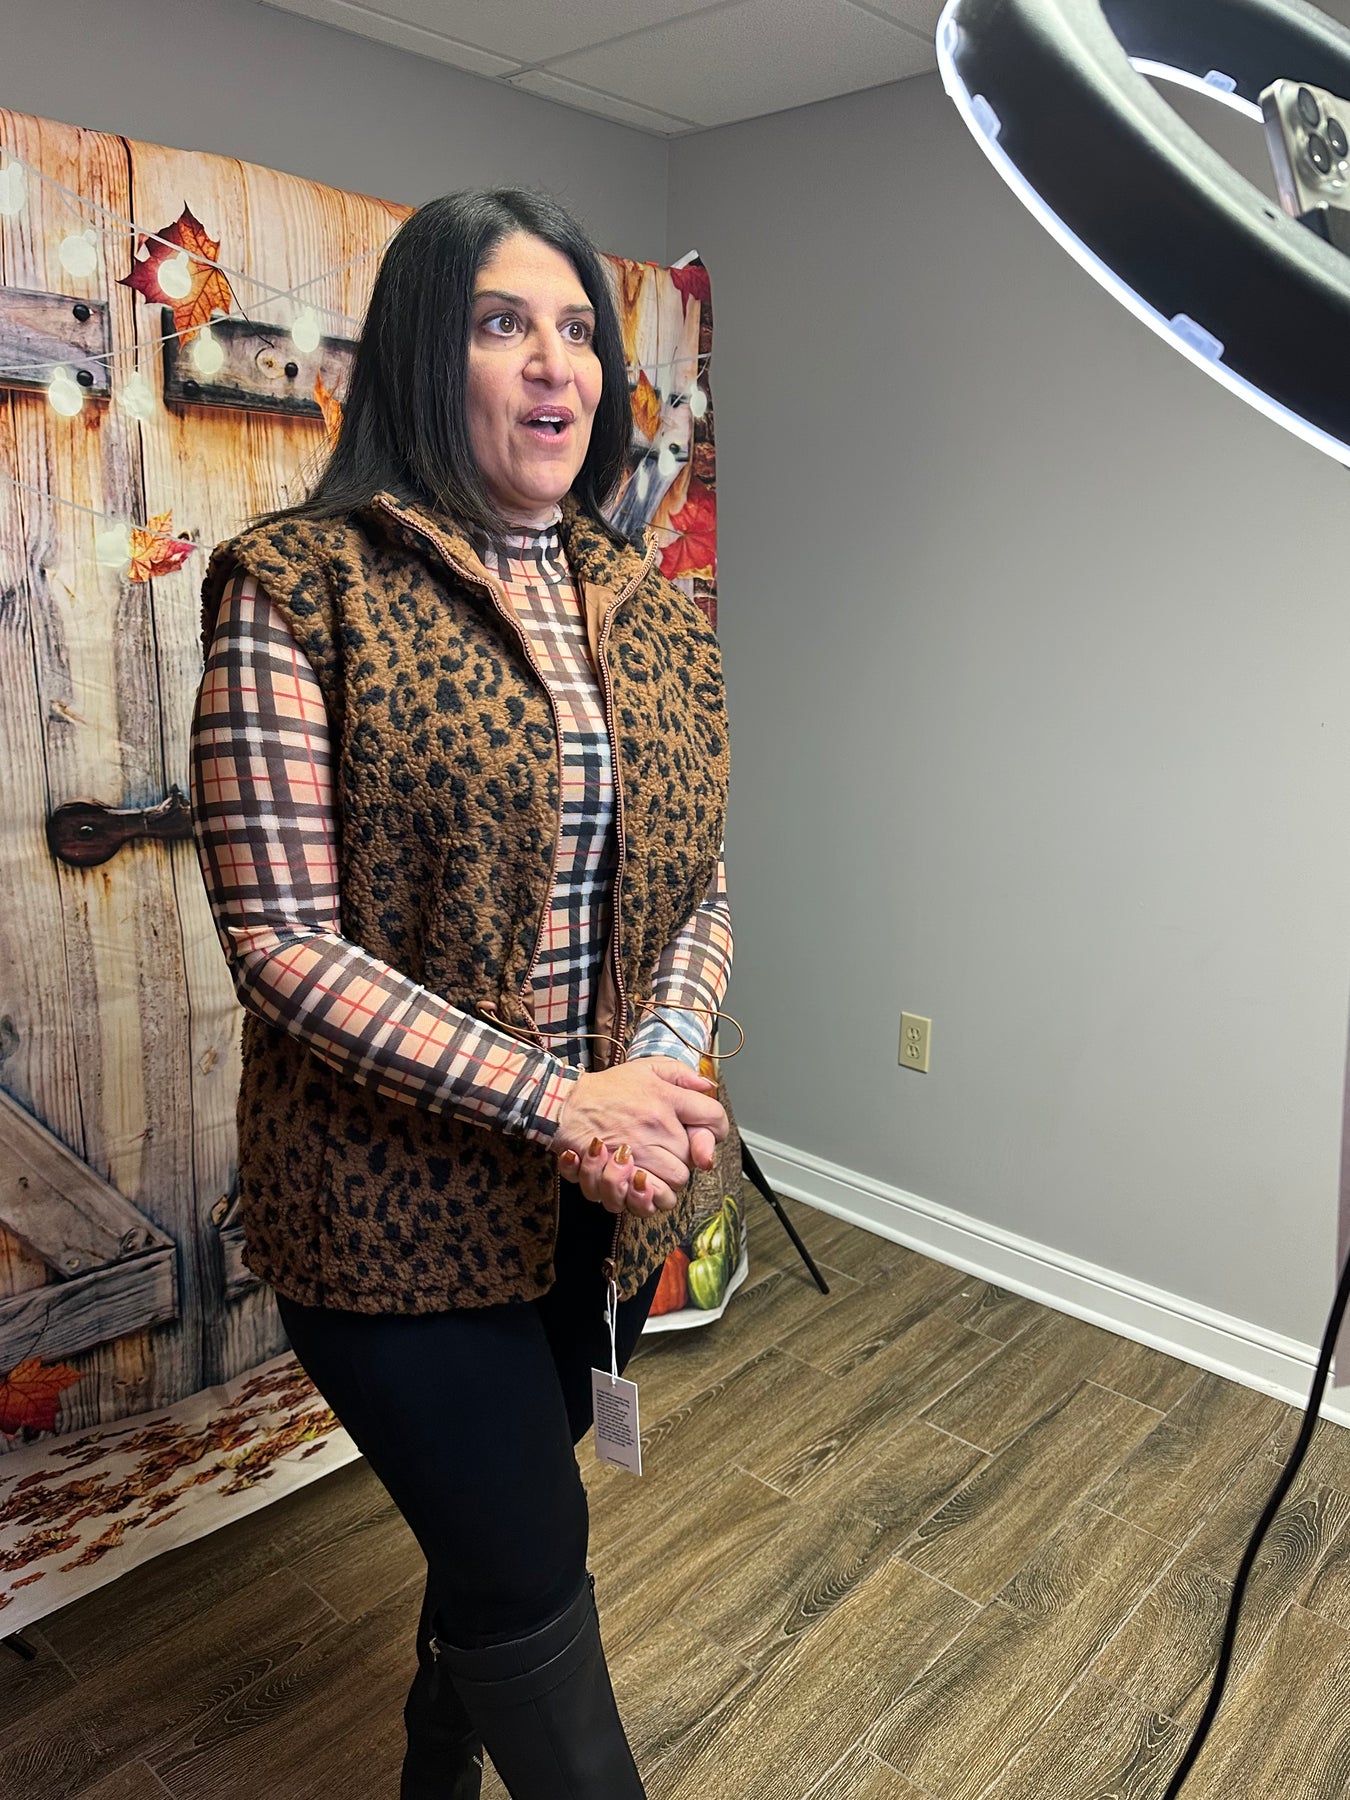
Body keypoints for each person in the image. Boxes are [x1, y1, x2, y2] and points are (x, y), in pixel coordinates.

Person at [189, 188, 732, 1799]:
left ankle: (436, 1760)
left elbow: (701, 880)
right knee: (529, 1545)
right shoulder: (300, 588)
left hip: (587, 1200)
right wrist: (558, 1097)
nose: (555, 364)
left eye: (577, 330)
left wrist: (656, 1068)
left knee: (495, 1532)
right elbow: (284, 946)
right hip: (383, 1212)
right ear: (430, 352)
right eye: (505, 324)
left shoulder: (653, 609)